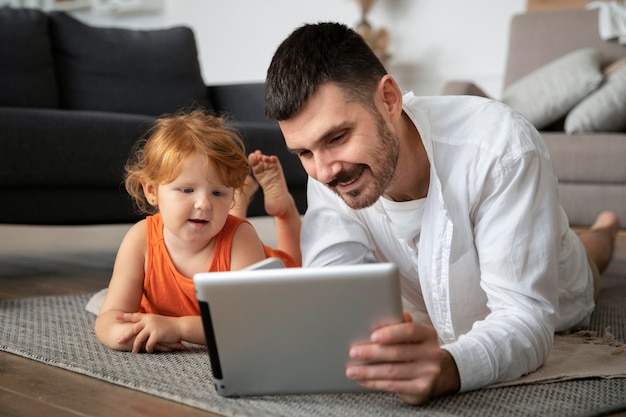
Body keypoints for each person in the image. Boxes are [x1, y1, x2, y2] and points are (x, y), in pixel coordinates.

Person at [264, 22, 621, 404]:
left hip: (564, 290)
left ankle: (607, 228)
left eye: (337, 138)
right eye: (303, 153)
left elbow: (526, 319)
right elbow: (330, 289)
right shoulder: (328, 172)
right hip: (434, 300)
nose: (323, 171)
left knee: (586, 260)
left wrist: (449, 368)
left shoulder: (500, 148)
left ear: (388, 99)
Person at [94, 109, 301, 353]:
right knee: (221, 220)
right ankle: (240, 195)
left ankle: (284, 210)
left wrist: (178, 328)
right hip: (224, 233)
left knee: (295, 266)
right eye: (187, 190)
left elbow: (246, 324)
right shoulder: (140, 239)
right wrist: (123, 334)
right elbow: (110, 316)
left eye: (218, 193)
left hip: (271, 277)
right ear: (151, 191)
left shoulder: (242, 238)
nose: (203, 203)